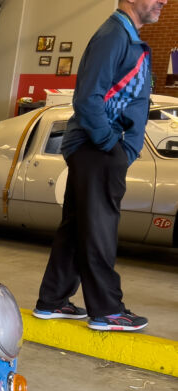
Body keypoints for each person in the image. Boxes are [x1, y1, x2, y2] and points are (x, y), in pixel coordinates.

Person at [33, 0, 167, 332]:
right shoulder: (113, 36)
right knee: (99, 230)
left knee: (78, 227)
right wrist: (111, 144)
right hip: (97, 148)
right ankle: (107, 310)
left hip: (97, 148)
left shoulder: (124, 36)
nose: (163, 1)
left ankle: (53, 300)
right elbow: (87, 97)